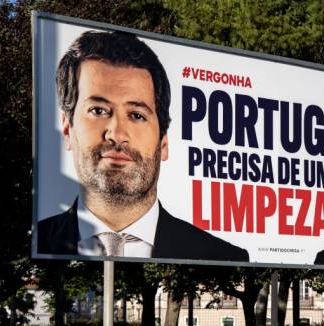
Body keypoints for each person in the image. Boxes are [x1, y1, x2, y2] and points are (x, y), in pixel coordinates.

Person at [37, 30, 248, 262]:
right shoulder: (37, 240)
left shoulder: (223, 256)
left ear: (163, 142)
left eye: (137, 115)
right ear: (68, 129)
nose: (117, 135)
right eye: (98, 110)